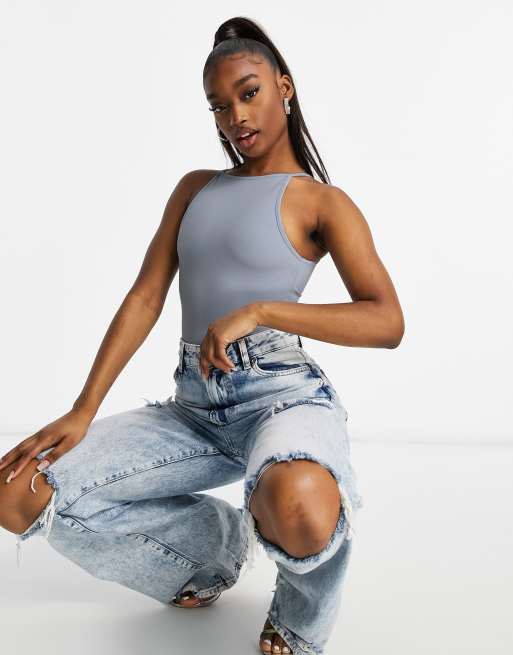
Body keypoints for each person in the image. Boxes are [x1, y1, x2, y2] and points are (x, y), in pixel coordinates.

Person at [0, 16, 404, 655]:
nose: (235, 117)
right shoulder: (195, 189)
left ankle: (299, 619)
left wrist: (263, 312)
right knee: (16, 492)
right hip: (193, 405)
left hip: (280, 397)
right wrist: (84, 409)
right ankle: (211, 553)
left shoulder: (322, 202)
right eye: (218, 105)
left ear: (284, 87)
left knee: (299, 502)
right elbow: (145, 297)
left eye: (249, 93)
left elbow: (386, 321)